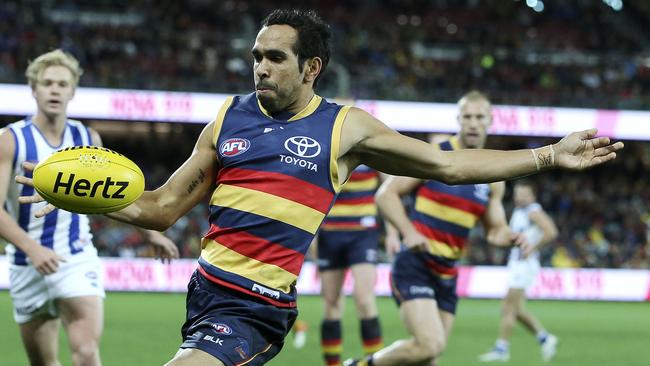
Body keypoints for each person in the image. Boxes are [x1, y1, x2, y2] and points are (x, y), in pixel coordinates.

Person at [17, 10, 622, 366]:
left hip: (255, 306)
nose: (260, 68)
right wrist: (78, 191)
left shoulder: (345, 127)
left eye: (276, 58)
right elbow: (159, 208)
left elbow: (449, 166)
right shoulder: (228, 117)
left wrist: (545, 155)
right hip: (206, 291)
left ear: (311, 68)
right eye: (256, 56)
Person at [0, 49, 179, 366]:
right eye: (47, 82)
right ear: (33, 88)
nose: (54, 89)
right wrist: (32, 249)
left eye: (62, 84)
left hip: (77, 257)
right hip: (26, 264)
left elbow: (112, 196)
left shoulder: (87, 138)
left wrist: (150, 235)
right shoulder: (10, 140)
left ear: (72, 91)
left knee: (85, 352)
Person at [343, 91, 546, 366]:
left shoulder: (493, 177)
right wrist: (409, 232)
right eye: (468, 117)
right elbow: (386, 195)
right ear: (459, 119)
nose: (473, 123)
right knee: (429, 345)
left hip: (448, 275)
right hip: (416, 265)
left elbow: (494, 231)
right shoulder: (435, 156)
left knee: (430, 357)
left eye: (479, 117)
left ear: (490, 121)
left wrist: (510, 237)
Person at [316, 166, 391, 366]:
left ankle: (374, 361)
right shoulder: (332, 146)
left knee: (364, 299)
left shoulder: (373, 148)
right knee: (331, 303)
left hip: (363, 233)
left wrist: (392, 232)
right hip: (329, 233)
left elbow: (390, 188)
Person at [478, 180, 559, 363]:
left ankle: (502, 348)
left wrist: (532, 247)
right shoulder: (520, 211)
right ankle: (545, 338)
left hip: (524, 265)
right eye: (517, 193)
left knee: (507, 308)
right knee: (517, 309)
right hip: (517, 263)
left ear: (532, 196)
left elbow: (551, 231)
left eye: (524, 194)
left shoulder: (533, 211)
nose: (519, 197)